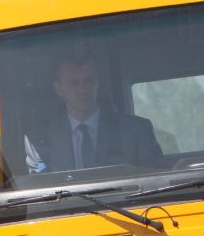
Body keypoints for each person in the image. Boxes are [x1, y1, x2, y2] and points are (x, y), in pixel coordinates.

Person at [24, 50, 164, 174]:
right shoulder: (38, 139)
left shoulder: (137, 131)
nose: (83, 89)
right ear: (58, 89)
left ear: (98, 82)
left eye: (88, 80)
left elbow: (156, 181)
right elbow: (38, 190)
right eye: (74, 83)